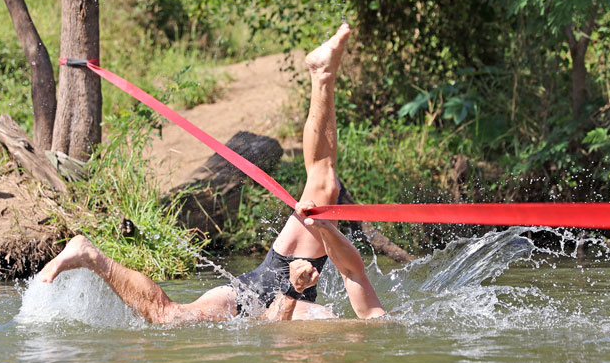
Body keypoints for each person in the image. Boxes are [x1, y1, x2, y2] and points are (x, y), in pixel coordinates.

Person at [39, 24, 385, 322]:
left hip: (287, 295)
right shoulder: (369, 323)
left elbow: (280, 323)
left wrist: (301, 277)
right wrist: (321, 230)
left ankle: (90, 256)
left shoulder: (368, 323)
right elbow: (351, 274)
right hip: (279, 298)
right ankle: (322, 74)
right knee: (324, 180)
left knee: (168, 318)